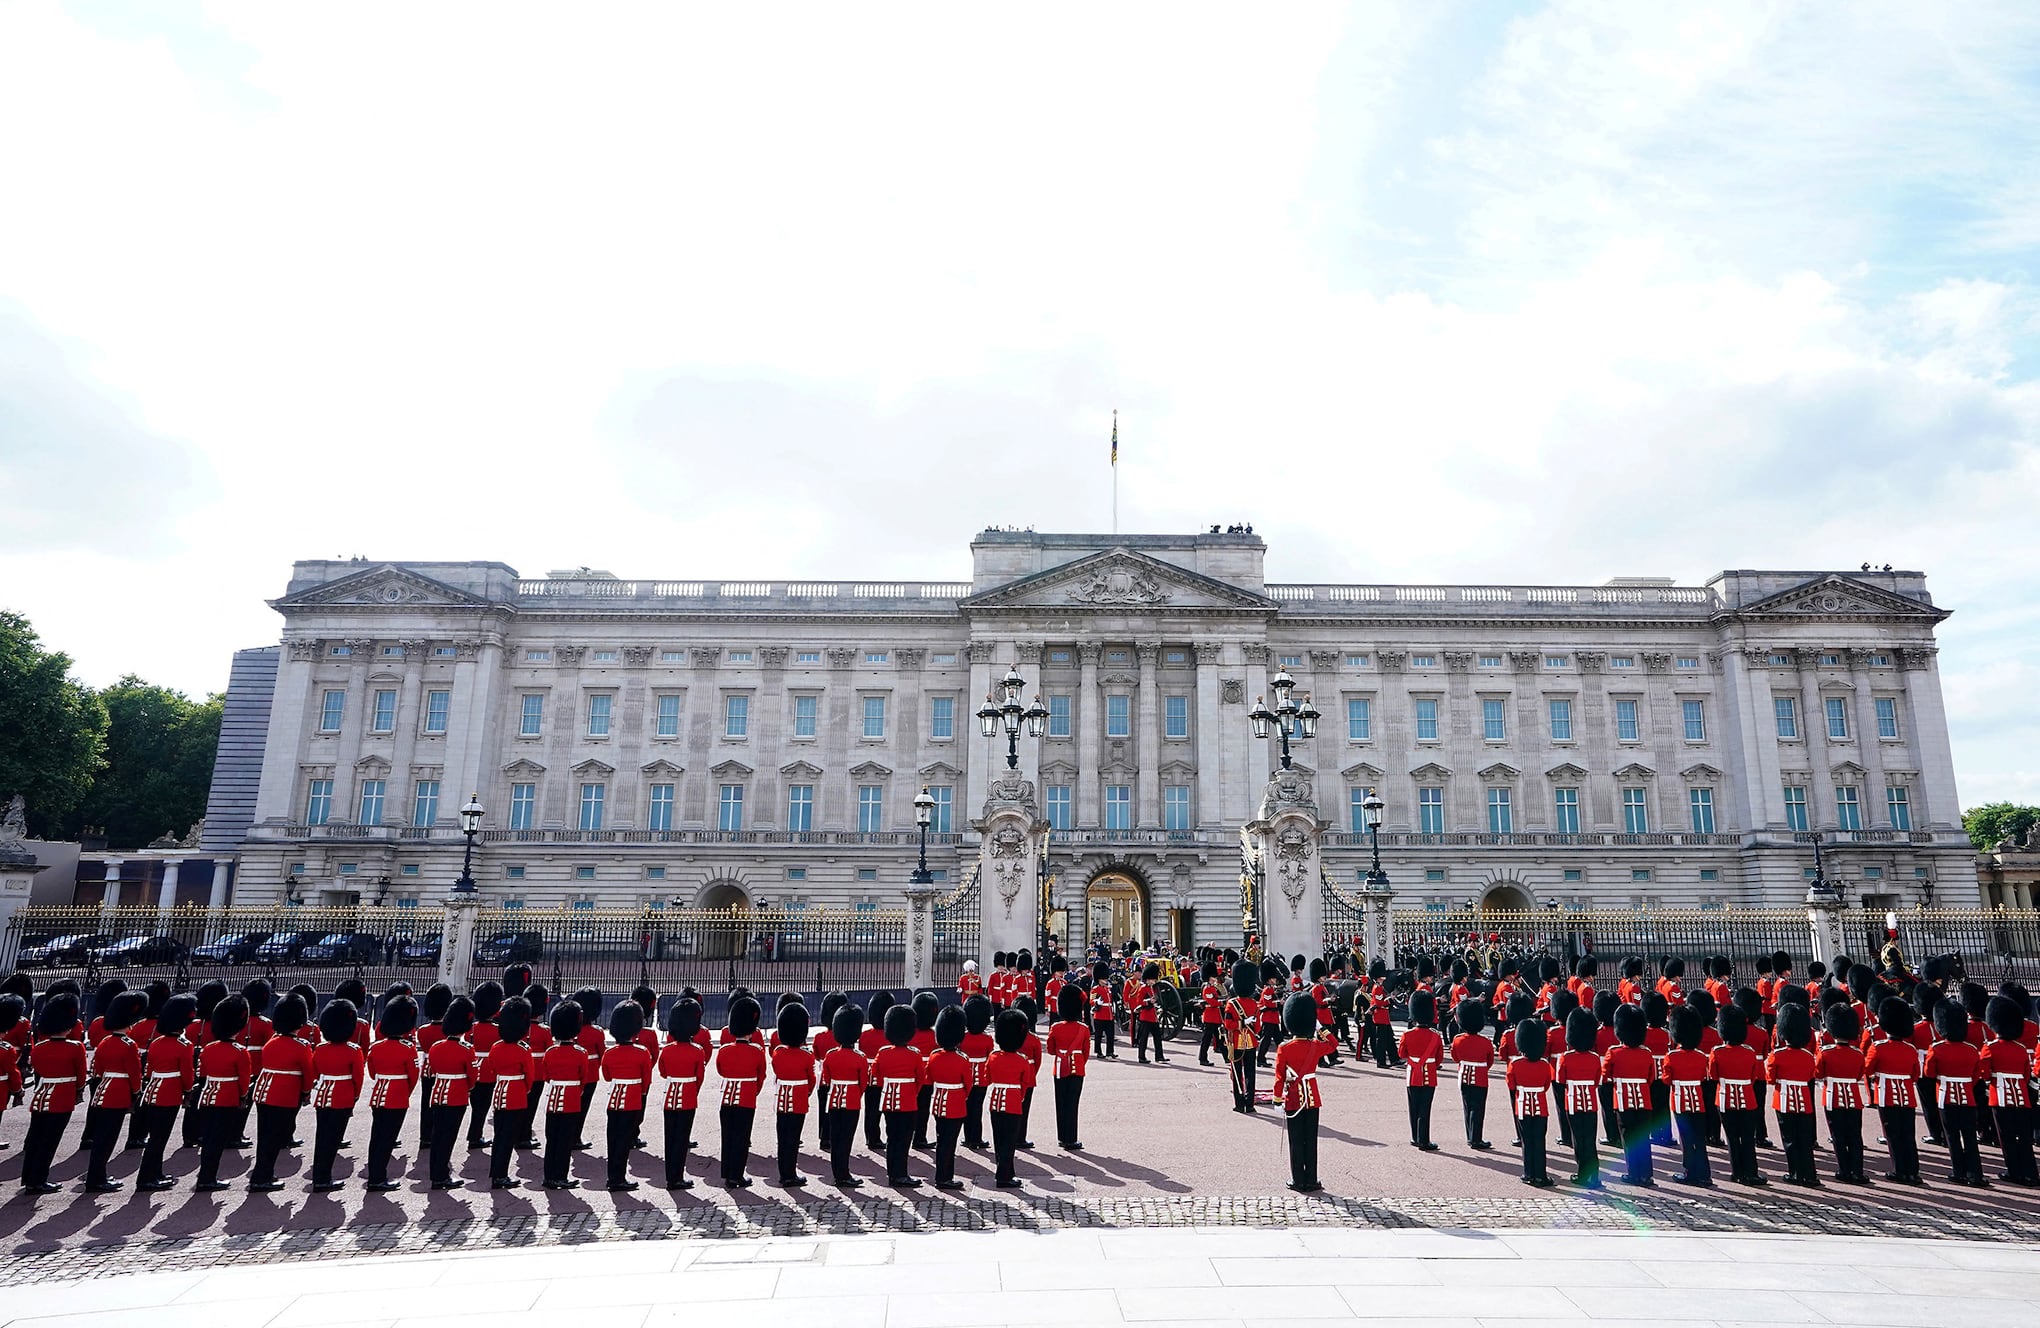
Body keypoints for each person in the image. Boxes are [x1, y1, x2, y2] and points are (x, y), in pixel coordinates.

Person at [19, 992, 86, 1194]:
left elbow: (37, 1070)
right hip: (61, 1099)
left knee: (35, 1139)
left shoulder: (39, 1048)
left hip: (40, 1097)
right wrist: (78, 1091)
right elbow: (80, 1076)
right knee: (49, 1142)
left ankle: (29, 1178)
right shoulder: (75, 1048)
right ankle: (39, 1180)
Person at [82, 990, 147, 1193]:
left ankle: (96, 1175)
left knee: (101, 1138)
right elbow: (135, 1075)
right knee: (107, 1140)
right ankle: (97, 1178)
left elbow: (98, 1070)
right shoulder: (129, 1045)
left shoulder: (104, 1042)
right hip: (118, 1095)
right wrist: (136, 1093)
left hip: (102, 1091)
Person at [247, 993, 312, 1192]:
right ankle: (262, 1178)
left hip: (263, 1093)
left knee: (265, 1137)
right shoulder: (302, 1046)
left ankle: (261, 1174)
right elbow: (307, 1075)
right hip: (283, 1096)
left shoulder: (272, 1042)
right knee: (274, 1140)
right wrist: (305, 1093)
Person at [192, 995, 252, 1193]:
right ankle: (208, 1178)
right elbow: (244, 1082)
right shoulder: (240, 1051)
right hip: (227, 1099)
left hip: (208, 1098)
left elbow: (202, 1074)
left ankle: (205, 1175)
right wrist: (242, 1097)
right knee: (217, 1142)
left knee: (209, 1139)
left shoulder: (208, 1048)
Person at [1926, 996, 1985, 1187]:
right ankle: (1975, 1173)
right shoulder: (1971, 1050)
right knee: (1969, 1136)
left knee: (1952, 1136)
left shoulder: (1936, 1049)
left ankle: (1959, 1172)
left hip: (1945, 1097)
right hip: (1968, 1098)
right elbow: (1976, 1076)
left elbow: (1929, 1072)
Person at [309, 997, 367, 1192]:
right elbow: (357, 1079)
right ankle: (324, 1179)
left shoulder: (320, 1049)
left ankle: (319, 1176)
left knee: (321, 1138)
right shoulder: (354, 1051)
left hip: (322, 1097)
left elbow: (314, 1073)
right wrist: (355, 1097)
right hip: (342, 1098)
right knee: (332, 1140)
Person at [364, 994, 419, 1192]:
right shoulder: (408, 1048)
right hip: (396, 1097)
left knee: (376, 1137)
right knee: (387, 1139)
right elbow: (413, 1077)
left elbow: (372, 1073)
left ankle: (374, 1175)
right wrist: (404, 1093)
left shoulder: (376, 1047)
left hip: (378, 1095)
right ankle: (378, 1178)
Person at [1867, 997, 1923, 1184]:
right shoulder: (1910, 1049)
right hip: (1907, 1096)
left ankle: (1899, 1170)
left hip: (1886, 1094)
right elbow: (1916, 1074)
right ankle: (1913, 1171)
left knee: (1893, 1135)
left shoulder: (1878, 1047)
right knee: (1908, 1134)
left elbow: (1867, 1069)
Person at [1709, 1004, 1767, 1186]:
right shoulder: (1749, 1052)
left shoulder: (1716, 1052)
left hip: (1725, 1098)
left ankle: (1737, 1172)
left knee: (1732, 1138)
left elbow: (1713, 1075)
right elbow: (1752, 1077)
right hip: (1747, 1099)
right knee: (1748, 1137)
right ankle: (1751, 1172)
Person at [1984, 994, 2037, 1186]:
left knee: (2006, 1137)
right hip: (2021, 1097)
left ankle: (2014, 1171)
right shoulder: (2021, 1048)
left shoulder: (1990, 1048)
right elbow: (2025, 1074)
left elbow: (1984, 1072)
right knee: (2024, 1136)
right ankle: (2031, 1173)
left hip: (2000, 1097)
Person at [1274, 993, 1325, 1194]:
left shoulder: (1284, 1048)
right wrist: (1320, 1028)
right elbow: (1333, 1045)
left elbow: (1279, 1077)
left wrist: (1277, 1100)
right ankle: (1311, 1178)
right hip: (1312, 1097)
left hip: (1294, 1098)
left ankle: (1298, 1179)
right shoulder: (1315, 1045)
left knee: (1296, 1141)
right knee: (1311, 1140)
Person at [424, 997, 475, 1190]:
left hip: (438, 1093)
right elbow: (472, 1078)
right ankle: (441, 1175)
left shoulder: (436, 1047)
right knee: (448, 1137)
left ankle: (436, 1172)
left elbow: (433, 1069)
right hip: (456, 1095)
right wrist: (466, 1088)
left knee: (437, 1135)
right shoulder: (466, 1050)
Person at [484, 997, 535, 1190]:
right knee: (508, 1137)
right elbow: (529, 1078)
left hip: (499, 1094)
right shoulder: (523, 1050)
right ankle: (500, 1176)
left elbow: (492, 1070)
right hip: (515, 1096)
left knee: (499, 1136)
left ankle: (496, 1172)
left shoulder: (496, 1047)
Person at [716, 996, 766, 1188]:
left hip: (726, 1098)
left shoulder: (724, 1050)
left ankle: (728, 1173)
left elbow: (721, 1070)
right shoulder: (756, 1051)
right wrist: (753, 1092)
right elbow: (761, 1076)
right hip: (746, 1099)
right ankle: (737, 1175)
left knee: (727, 1136)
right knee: (741, 1138)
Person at [1768, 1003, 1820, 1187]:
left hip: (1783, 1100)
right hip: (1804, 1100)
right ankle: (1810, 1174)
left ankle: (1795, 1173)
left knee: (1790, 1139)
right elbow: (1810, 1076)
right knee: (1805, 1138)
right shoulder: (1808, 1056)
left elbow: (1770, 1079)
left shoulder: (1777, 1055)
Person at [658, 998, 707, 1190]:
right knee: (681, 1139)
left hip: (669, 1097)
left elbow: (663, 1072)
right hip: (687, 1098)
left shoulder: (667, 1050)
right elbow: (699, 1078)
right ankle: (677, 1177)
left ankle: (670, 1176)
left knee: (670, 1138)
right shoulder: (697, 1051)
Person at [874, 1003, 924, 1188]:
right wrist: (911, 1093)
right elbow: (920, 1079)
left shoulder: (883, 1053)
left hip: (888, 1100)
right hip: (907, 1101)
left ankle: (892, 1173)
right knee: (903, 1140)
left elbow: (877, 1076)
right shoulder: (914, 1055)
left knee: (891, 1137)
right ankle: (901, 1174)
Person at [818, 1003, 868, 1188]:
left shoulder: (830, 1056)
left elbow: (827, 1078)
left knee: (835, 1138)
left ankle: (837, 1173)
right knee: (845, 1140)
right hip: (852, 1102)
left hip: (833, 1100)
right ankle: (844, 1174)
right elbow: (863, 1083)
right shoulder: (860, 1058)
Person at [537, 1001, 585, 1190]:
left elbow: (547, 1076)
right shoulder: (580, 1054)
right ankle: (561, 1177)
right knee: (564, 1141)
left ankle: (549, 1176)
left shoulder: (550, 1052)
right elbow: (582, 1080)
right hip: (571, 1100)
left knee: (552, 1139)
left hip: (553, 1099)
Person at [1605, 1004, 1654, 1186]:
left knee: (1629, 1136)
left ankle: (1634, 1173)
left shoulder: (1614, 1052)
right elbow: (1651, 1077)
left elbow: (1606, 1075)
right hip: (1644, 1100)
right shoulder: (1646, 1053)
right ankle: (1646, 1175)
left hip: (1623, 1099)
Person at [1662, 1006, 1711, 1187]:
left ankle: (1690, 1172)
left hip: (1680, 1100)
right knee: (1699, 1137)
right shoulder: (1701, 1056)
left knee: (1686, 1138)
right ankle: (1705, 1173)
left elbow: (1666, 1080)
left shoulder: (1672, 1056)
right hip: (1698, 1100)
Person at [985, 1008, 1033, 1188]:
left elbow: (986, 1079)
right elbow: (1025, 1084)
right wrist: (1018, 1097)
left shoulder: (993, 1057)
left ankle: (1005, 1171)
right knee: (1009, 1142)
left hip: (995, 1101)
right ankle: (1004, 1177)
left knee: (999, 1140)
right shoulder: (1022, 1060)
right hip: (1013, 1102)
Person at [769, 1001, 814, 1189]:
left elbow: (777, 1071)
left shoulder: (778, 1053)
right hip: (798, 1100)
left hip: (782, 1100)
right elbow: (811, 1081)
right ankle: (790, 1174)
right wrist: (806, 1093)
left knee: (782, 1136)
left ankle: (783, 1173)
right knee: (793, 1138)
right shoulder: (806, 1056)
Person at [926, 1005, 971, 1189]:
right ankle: (945, 1178)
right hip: (955, 1103)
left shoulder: (934, 1056)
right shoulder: (962, 1059)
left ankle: (941, 1175)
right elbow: (968, 1086)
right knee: (949, 1143)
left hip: (938, 1102)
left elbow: (928, 1077)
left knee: (941, 1139)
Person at [1556, 1009, 1602, 1186]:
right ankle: (1594, 1175)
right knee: (1590, 1139)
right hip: (1591, 1103)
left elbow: (1560, 1080)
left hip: (1573, 1101)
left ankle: (1582, 1174)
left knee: (1578, 1139)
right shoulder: (1595, 1058)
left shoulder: (1565, 1058)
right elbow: (1597, 1080)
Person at [1507, 1019, 1554, 1188]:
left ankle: (1529, 1174)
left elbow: (1511, 1085)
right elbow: (1547, 1085)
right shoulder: (1545, 1065)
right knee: (1539, 1141)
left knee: (1527, 1142)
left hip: (1522, 1107)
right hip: (1541, 1108)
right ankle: (1541, 1175)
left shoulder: (1515, 1064)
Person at [1045, 985, 1089, 1150]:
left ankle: (1062, 1137)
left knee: (1060, 1103)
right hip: (1077, 1068)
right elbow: (1085, 1053)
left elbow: (1050, 1050)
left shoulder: (1055, 1027)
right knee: (1073, 1104)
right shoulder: (1083, 1029)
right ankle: (1071, 1138)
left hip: (1059, 1068)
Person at [1449, 998, 1495, 1150]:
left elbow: (1455, 1057)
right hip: (1480, 1077)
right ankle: (1476, 1139)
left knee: (1467, 1106)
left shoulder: (1457, 1040)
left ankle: (1470, 1136)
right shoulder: (1486, 1042)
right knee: (1478, 1108)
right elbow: (1489, 1061)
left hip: (1463, 1076)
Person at [1398, 990, 1441, 1151]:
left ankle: (1415, 1137)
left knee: (1413, 1107)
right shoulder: (1435, 1036)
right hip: (1429, 1074)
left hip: (1412, 1075)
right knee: (1425, 1108)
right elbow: (1438, 1059)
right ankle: (1424, 1140)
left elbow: (1402, 1054)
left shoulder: (1407, 1035)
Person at [465, 981, 503, 1151]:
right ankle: (475, 1136)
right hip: (489, 1070)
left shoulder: (471, 1028)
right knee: (483, 1106)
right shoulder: (497, 1029)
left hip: (474, 1069)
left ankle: (474, 1134)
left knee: (476, 1105)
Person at [415, 983, 451, 1150]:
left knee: (426, 1103)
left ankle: (425, 1136)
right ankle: (438, 1135)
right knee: (442, 1104)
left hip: (427, 1069)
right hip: (444, 1068)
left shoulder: (422, 1030)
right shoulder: (448, 1031)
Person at [1222, 961, 1261, 1113]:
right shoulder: (1254, 1004)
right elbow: (1257, 1028)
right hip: (1251, 1043)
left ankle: (1239, 1104)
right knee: (1251, 1074)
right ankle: (1249, 1104)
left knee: (1237, 1075)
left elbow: (1227, 1024)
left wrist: (1240, 1023)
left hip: (1236, 1043)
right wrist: (1246, 1022)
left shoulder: (1231, 1004)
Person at [571, 987, 606, 1150]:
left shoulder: (572, 1030)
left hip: (570, 1074)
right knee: (582, 1107)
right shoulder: (596, 1032)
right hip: (590, 1074)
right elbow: (602, 1054)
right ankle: (575, 1136)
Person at [860, 991, 895, 1149]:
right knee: (890, 1112)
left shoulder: (864, 1036)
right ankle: (891, 1138)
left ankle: (871, 1138)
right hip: (887, 1079)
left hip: (870, 1079)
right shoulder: (891, 1036)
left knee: (871, 1110)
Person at [959, 995, 995, 1150]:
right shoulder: (987, 1039)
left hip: (964, 1078)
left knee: (966, 1107)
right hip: (981, 1078)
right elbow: (989, 1058)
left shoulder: (962, 1038)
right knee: (977, 1107)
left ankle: (968, 1137)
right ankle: (976, 1138)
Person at [1197, 962, 1223, 1067]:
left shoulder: (1213, 988)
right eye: (1213, 977)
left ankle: (1227, 1058)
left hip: (1215, 1016)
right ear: (1209, 978)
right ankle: (1202, 1058)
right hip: (1209, 1016)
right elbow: (1211, 1002)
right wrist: (1221, 1003)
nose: (1215, 979)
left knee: (1221, 1038)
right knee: (1206, 1040)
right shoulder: (1207, 988)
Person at [1088, 963, 1116, 1060]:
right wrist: (1097, 1002)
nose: (1105, 981)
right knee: (1098, 1035)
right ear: (1099, 979)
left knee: (1110, 1035)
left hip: (1109, 1015)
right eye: (1104, 979)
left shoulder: (1108, 989)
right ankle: (1099, 1051)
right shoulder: (1095, 989)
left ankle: (1110, 1051)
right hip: (1100, 1015)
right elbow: (1091, 1001)